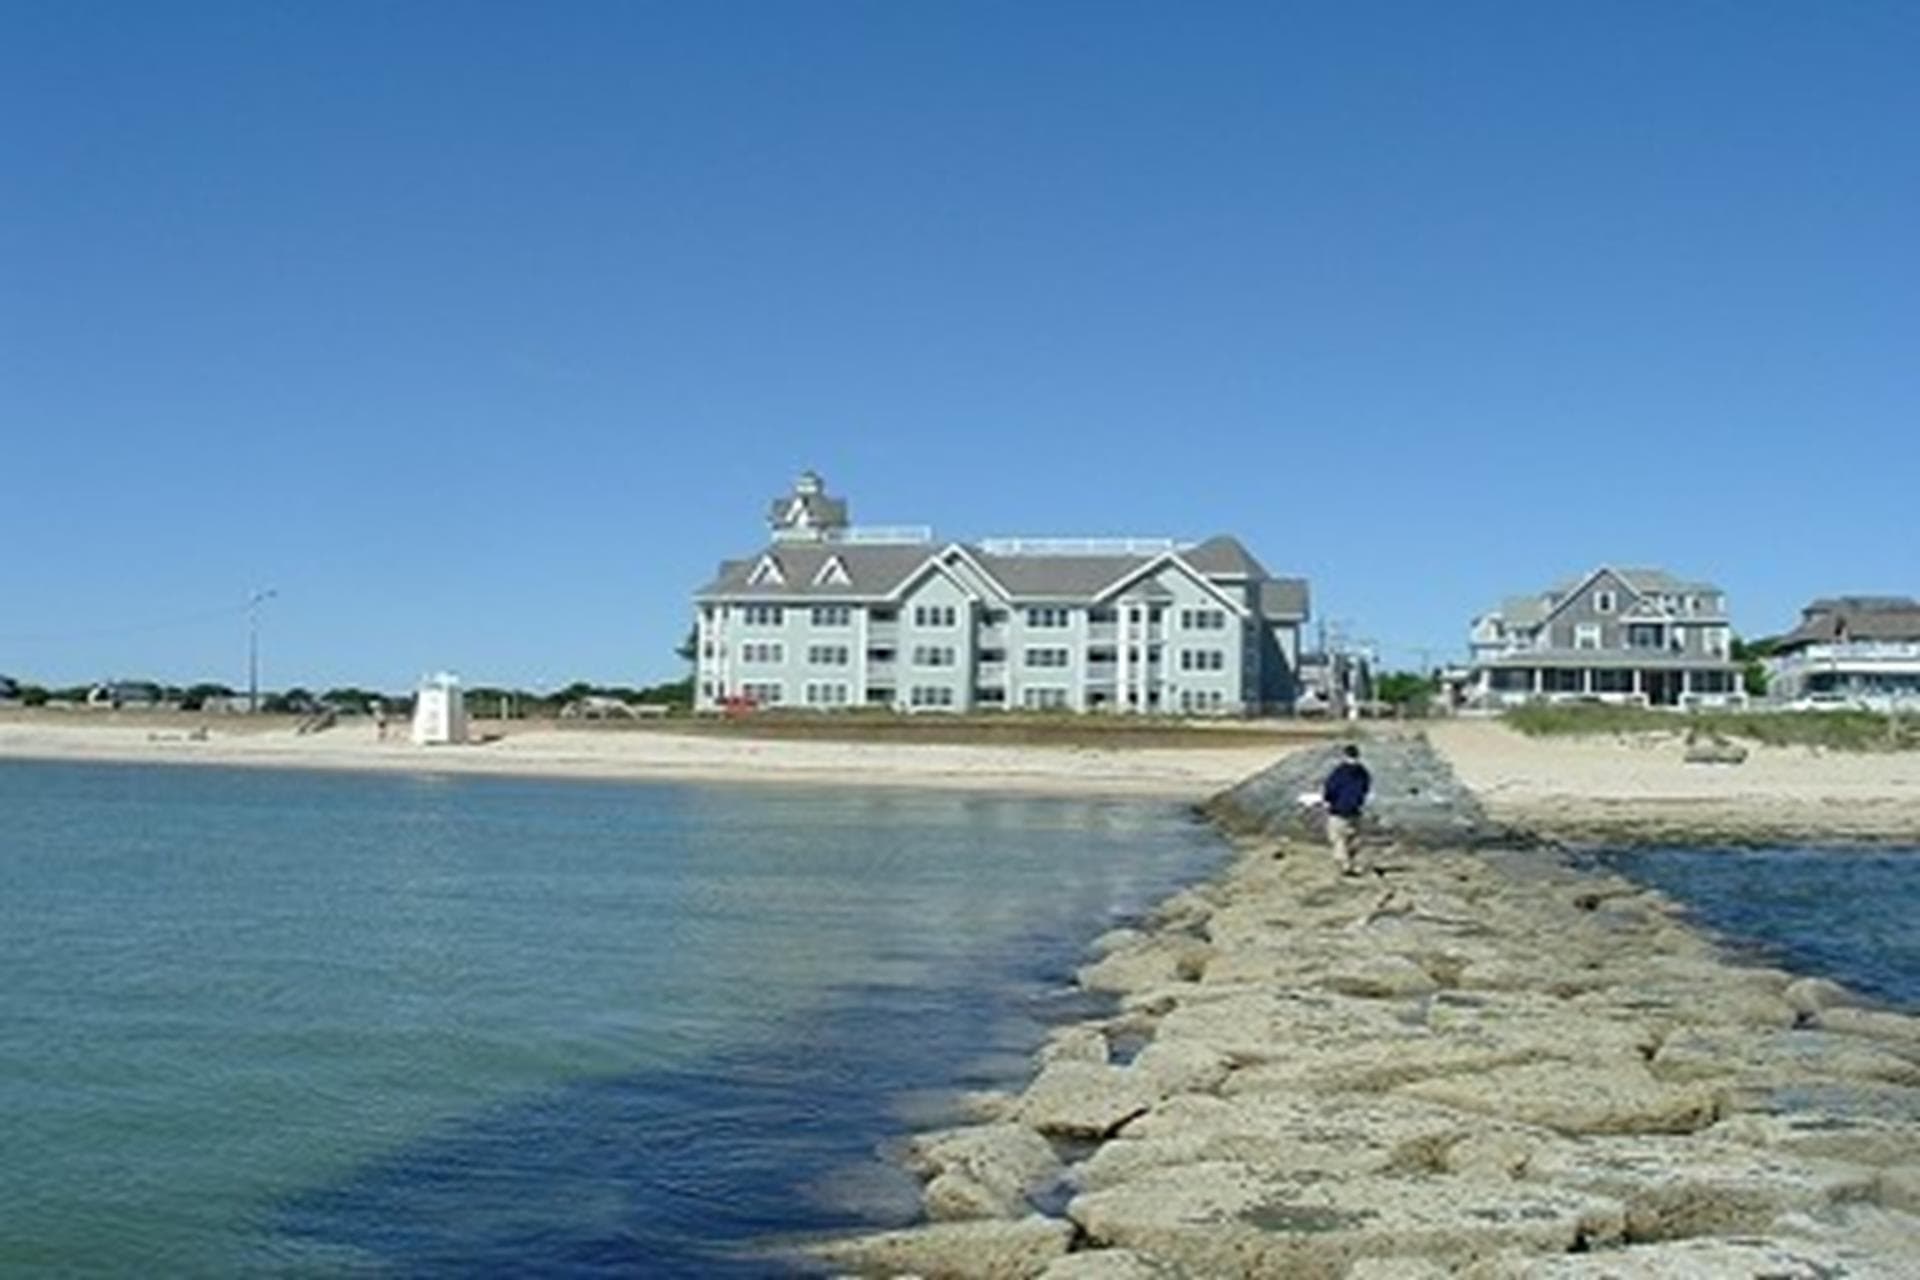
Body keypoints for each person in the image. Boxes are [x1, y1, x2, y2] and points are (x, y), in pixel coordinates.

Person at [1321, 744, 1372, 876]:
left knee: (1338, 838)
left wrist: (1328, 801)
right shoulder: (1363, 772)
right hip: (1355, 809)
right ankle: (1351, 862)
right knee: (1352, 838)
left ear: (1344, 755)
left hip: (1338, 810)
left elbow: (1330, 788)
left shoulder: (1339, 771)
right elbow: (1365, 788)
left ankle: (1345, 865)